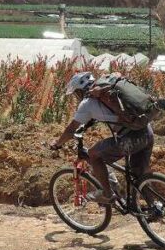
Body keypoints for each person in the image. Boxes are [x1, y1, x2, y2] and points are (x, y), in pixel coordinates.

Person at [49, 71, 154, 205]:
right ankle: (155, 208)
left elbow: (70, 130)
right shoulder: (108, 91)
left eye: (76, 93)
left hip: (131, 139)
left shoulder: (87, 103)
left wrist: (57, 144)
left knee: (93, 154)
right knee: (139, 174)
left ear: (81, 90)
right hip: (147, 131)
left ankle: (107, 194)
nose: (77, 97)